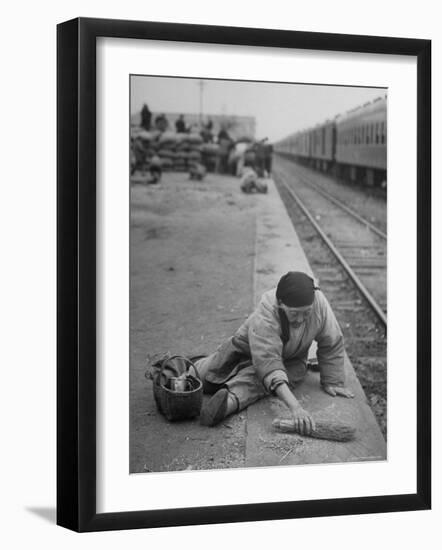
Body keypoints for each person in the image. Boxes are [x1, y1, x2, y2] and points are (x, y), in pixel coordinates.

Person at [192, 271, 354, 430]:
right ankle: (178, 369)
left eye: (306, 313)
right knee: (207, 376)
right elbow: (268, 362)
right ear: (281, 305)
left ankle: (226, 404)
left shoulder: (318, 303)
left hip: (290, 360)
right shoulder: (267, 309)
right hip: (242, 350)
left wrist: (332, 380)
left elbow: (332, 341)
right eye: (294, 313)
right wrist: (296, 407)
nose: (300, 319)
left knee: (258, 381)